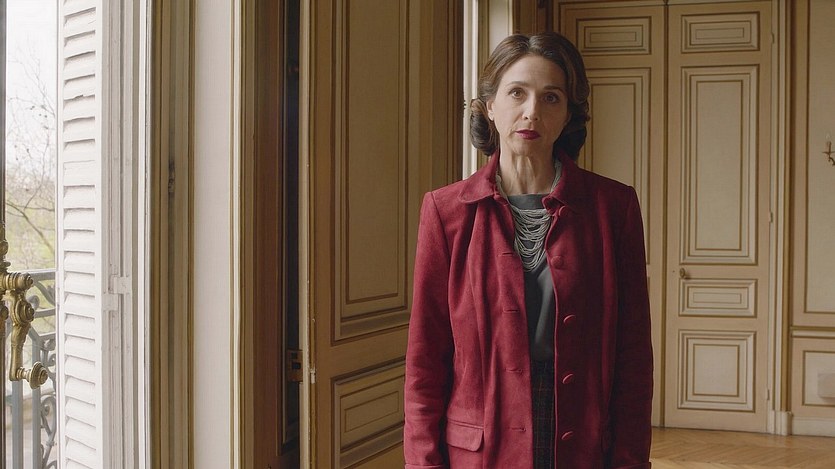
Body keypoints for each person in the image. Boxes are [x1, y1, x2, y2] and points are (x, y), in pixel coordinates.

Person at [403, 32, 653, 469]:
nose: (532, 110)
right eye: (517, 92)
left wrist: (630, 460)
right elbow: (426, 359)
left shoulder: (613, 207)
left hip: (582, 438)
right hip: (482, 445)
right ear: (489, 105)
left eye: (551, 97)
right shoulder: (445, 212)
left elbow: (633, 356)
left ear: (568, 114)